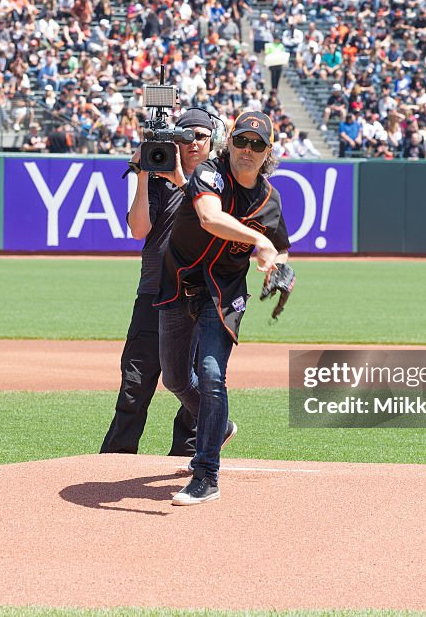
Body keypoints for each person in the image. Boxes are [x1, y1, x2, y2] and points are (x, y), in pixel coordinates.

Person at [156, 111, 291, 505]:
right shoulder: (209, 174)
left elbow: (279, 246)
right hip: (180, 281)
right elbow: (209, 217)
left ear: (267, 153)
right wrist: (258, 242)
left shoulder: (269, 199)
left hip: (223, 291)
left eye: (257, 144)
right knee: (176, 380)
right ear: (229, 142)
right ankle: (220, 426)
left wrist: (280, 269)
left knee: (212, 374)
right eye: (241, 140)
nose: (247, 150)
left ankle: (206, 474)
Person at [100, 108, 221, 457]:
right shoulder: (155, 182)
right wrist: (141, 174)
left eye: (201, 135)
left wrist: (182, 180)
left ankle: (187, 459)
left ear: (212, 141)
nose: (194, 142)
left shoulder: (220, 180)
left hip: (201, 297)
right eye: (186, 136)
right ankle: (114, 461)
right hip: (154, 293)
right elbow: (139, 230)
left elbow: (215, 220)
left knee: (193, 385)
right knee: (134, 385)